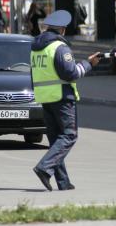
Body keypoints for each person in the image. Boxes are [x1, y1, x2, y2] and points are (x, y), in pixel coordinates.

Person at [31, 10, 100, 191]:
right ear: (62, 29)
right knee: (69, 135)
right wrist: (88, 64)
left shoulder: (36, 47)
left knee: (55, 139)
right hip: (61, 96)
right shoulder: (59, 47)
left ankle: (63, 182)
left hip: (45, 97)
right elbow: (71, 73)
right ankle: (44, 168)